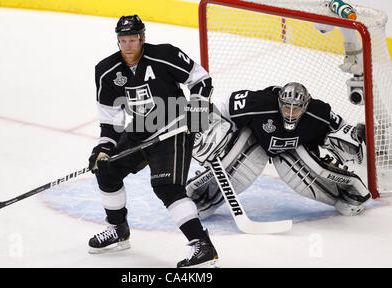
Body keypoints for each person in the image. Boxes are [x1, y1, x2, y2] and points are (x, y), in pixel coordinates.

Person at [87, 15, 218, 268]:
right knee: (107, 170)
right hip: (140, 130)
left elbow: (200, 79)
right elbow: (111, 121)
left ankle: (203, 246)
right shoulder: (106, 71)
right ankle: (118, 230)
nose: (127, 46)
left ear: (142, 38)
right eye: (123, 40)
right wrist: (104, 149)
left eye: (132, 40)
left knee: (167, 187)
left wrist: (196, 113)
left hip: (175, 128)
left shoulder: (165, 55)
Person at [187, 82, 371, 219]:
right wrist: (199, 121)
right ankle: (201, 196)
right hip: (255, 141)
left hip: (294, 149)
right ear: (278, 101)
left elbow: (343, 130)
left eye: (296, 108)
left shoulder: (319, 113)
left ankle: (349, 190)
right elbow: (225, 104)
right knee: (239, 167)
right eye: (285, 106)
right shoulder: (258, 103)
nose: (290, 112)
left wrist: (357, 136)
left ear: (305, 106)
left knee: (306, 173)